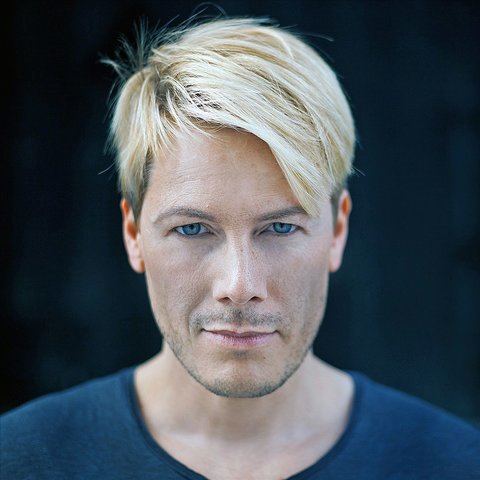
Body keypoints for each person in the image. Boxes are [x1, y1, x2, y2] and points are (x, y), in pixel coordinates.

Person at [1, 16, 479, 480]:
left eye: (280, 228)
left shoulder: (456, 464)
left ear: (337, 230)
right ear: (133, 234)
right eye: (193, 229)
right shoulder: (21, 459)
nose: (239, 285)